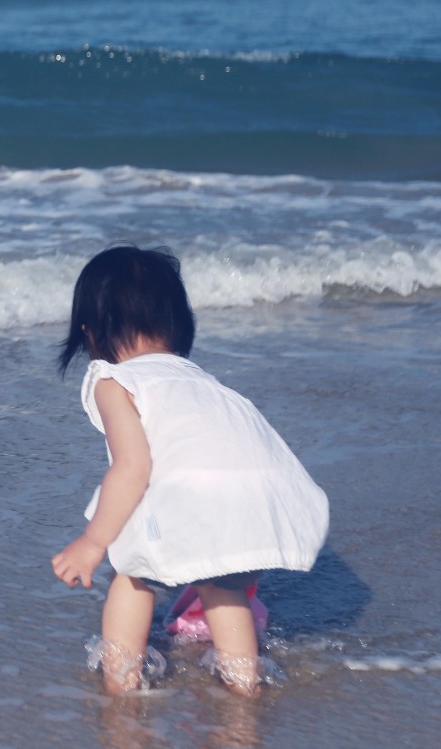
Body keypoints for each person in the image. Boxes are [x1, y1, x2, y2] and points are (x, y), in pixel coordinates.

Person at [49, 245, 329, 694]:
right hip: (262, 489)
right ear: (178, 324)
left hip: (198, 489)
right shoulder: (202, 380)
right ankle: (243, 686)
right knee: (221, 581)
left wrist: (93, 542)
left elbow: (132, 468)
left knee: (132, 572)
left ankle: (121, 682)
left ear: (90, 333)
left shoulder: (112, 379)